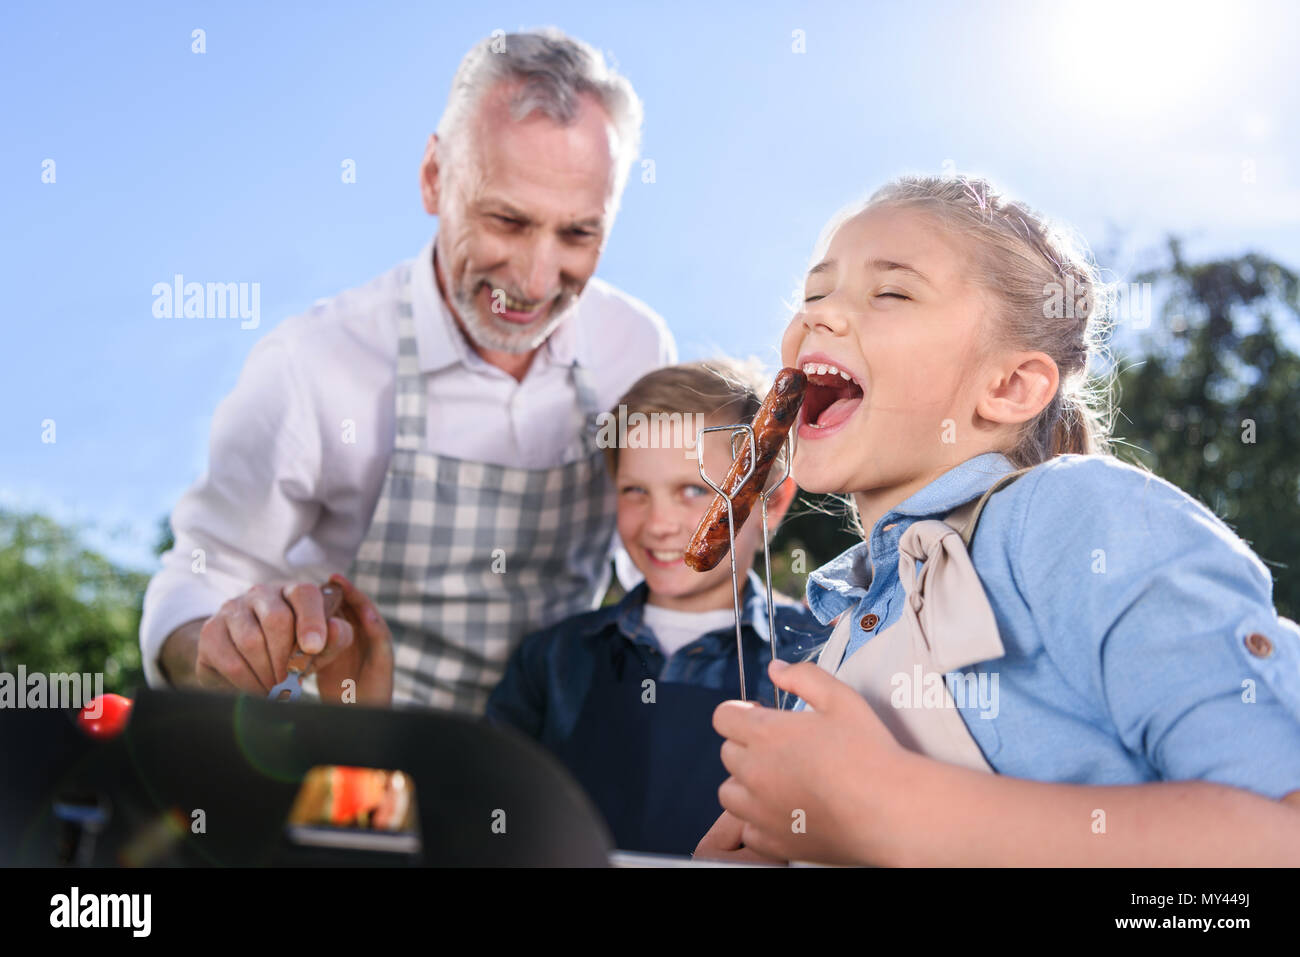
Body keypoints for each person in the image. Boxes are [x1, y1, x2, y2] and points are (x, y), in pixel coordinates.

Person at [696, 174, 1300, 865]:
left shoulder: (1074, 518)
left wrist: (890, 811)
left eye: (890, 291)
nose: (818, 318)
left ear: (1010, 387)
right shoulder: (837, 629)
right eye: (813, 294)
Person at [138, 28, 676, 714]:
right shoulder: (314, 363)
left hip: (555, 766)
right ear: (434, 178)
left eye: (578, 233)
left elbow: (667, 574)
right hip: (355, 763)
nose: (537, 278)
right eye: (507, 221)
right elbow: (195, 578)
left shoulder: (635, 346)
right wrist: (218, 651)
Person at [486, 360, 832, 854]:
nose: (660, 524)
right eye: (635, 492)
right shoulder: (554, 659)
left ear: (771, 504)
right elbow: (489, 813)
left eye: (694, 490)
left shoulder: (820, 657)